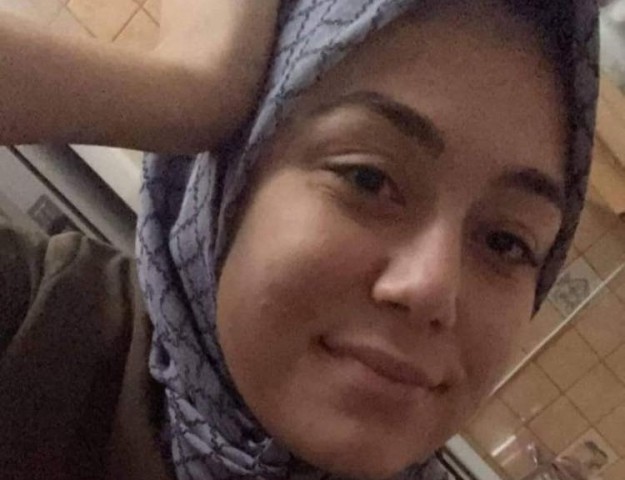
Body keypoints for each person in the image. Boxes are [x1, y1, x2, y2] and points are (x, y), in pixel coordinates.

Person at [0, 1, 599, 479]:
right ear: (238, 174)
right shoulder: (35, 326)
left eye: (506, 243)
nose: (432, 288)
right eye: (368, 178)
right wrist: (193, 86)